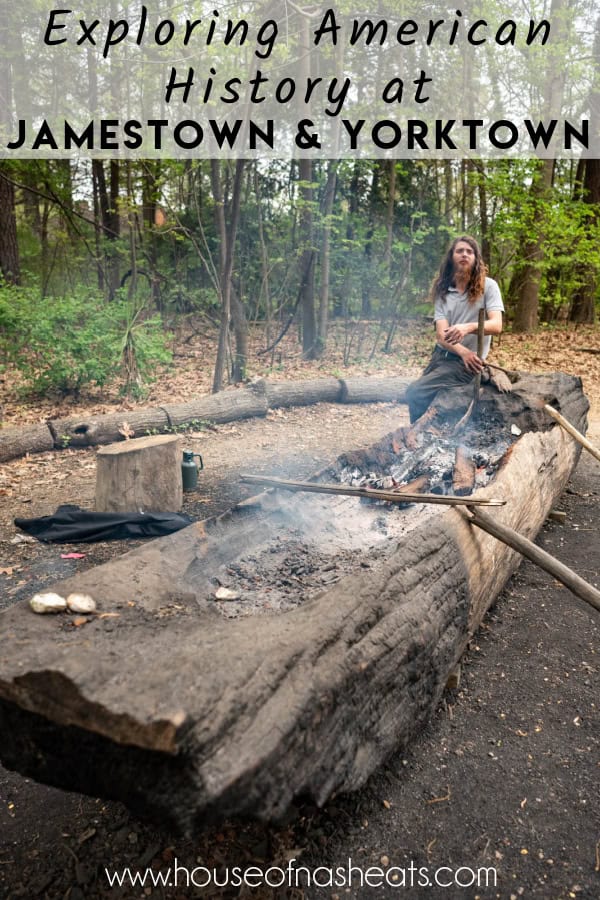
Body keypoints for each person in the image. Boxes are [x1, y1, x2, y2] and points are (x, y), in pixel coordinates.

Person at [405, 235, 504, 423]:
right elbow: (441, 335)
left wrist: (467, 328)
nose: (464, 254)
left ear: (476, 258)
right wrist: (463, 351)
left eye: (469, 252)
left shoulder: (489, 286)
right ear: (451, 257)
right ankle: (418, 433)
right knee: (422, 398)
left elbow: (496, 325)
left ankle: (421, 436)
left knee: (415, 392)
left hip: (468, 363)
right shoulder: (443, 289)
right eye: (460, 251)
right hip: (442, 356)